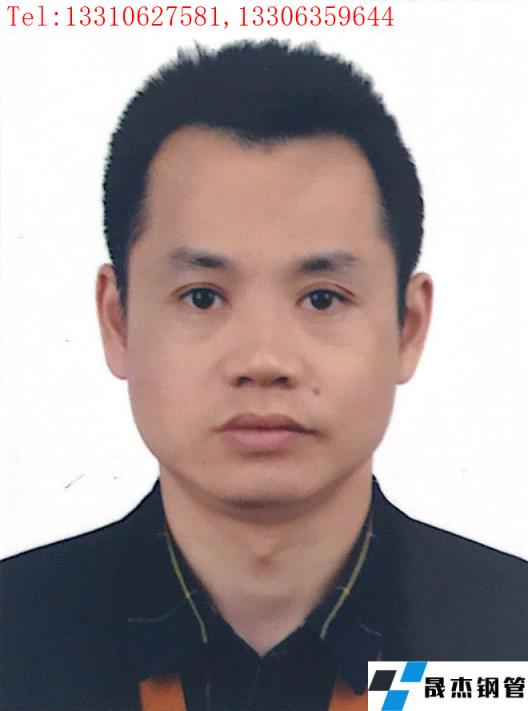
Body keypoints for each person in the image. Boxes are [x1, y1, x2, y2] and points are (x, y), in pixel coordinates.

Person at [1, 40, 526, 711]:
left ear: (409, 326)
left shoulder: (508, 650)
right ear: (117, 320)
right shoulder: (15, 642)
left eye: (322, 298)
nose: (263, 361)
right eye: (202, 297)